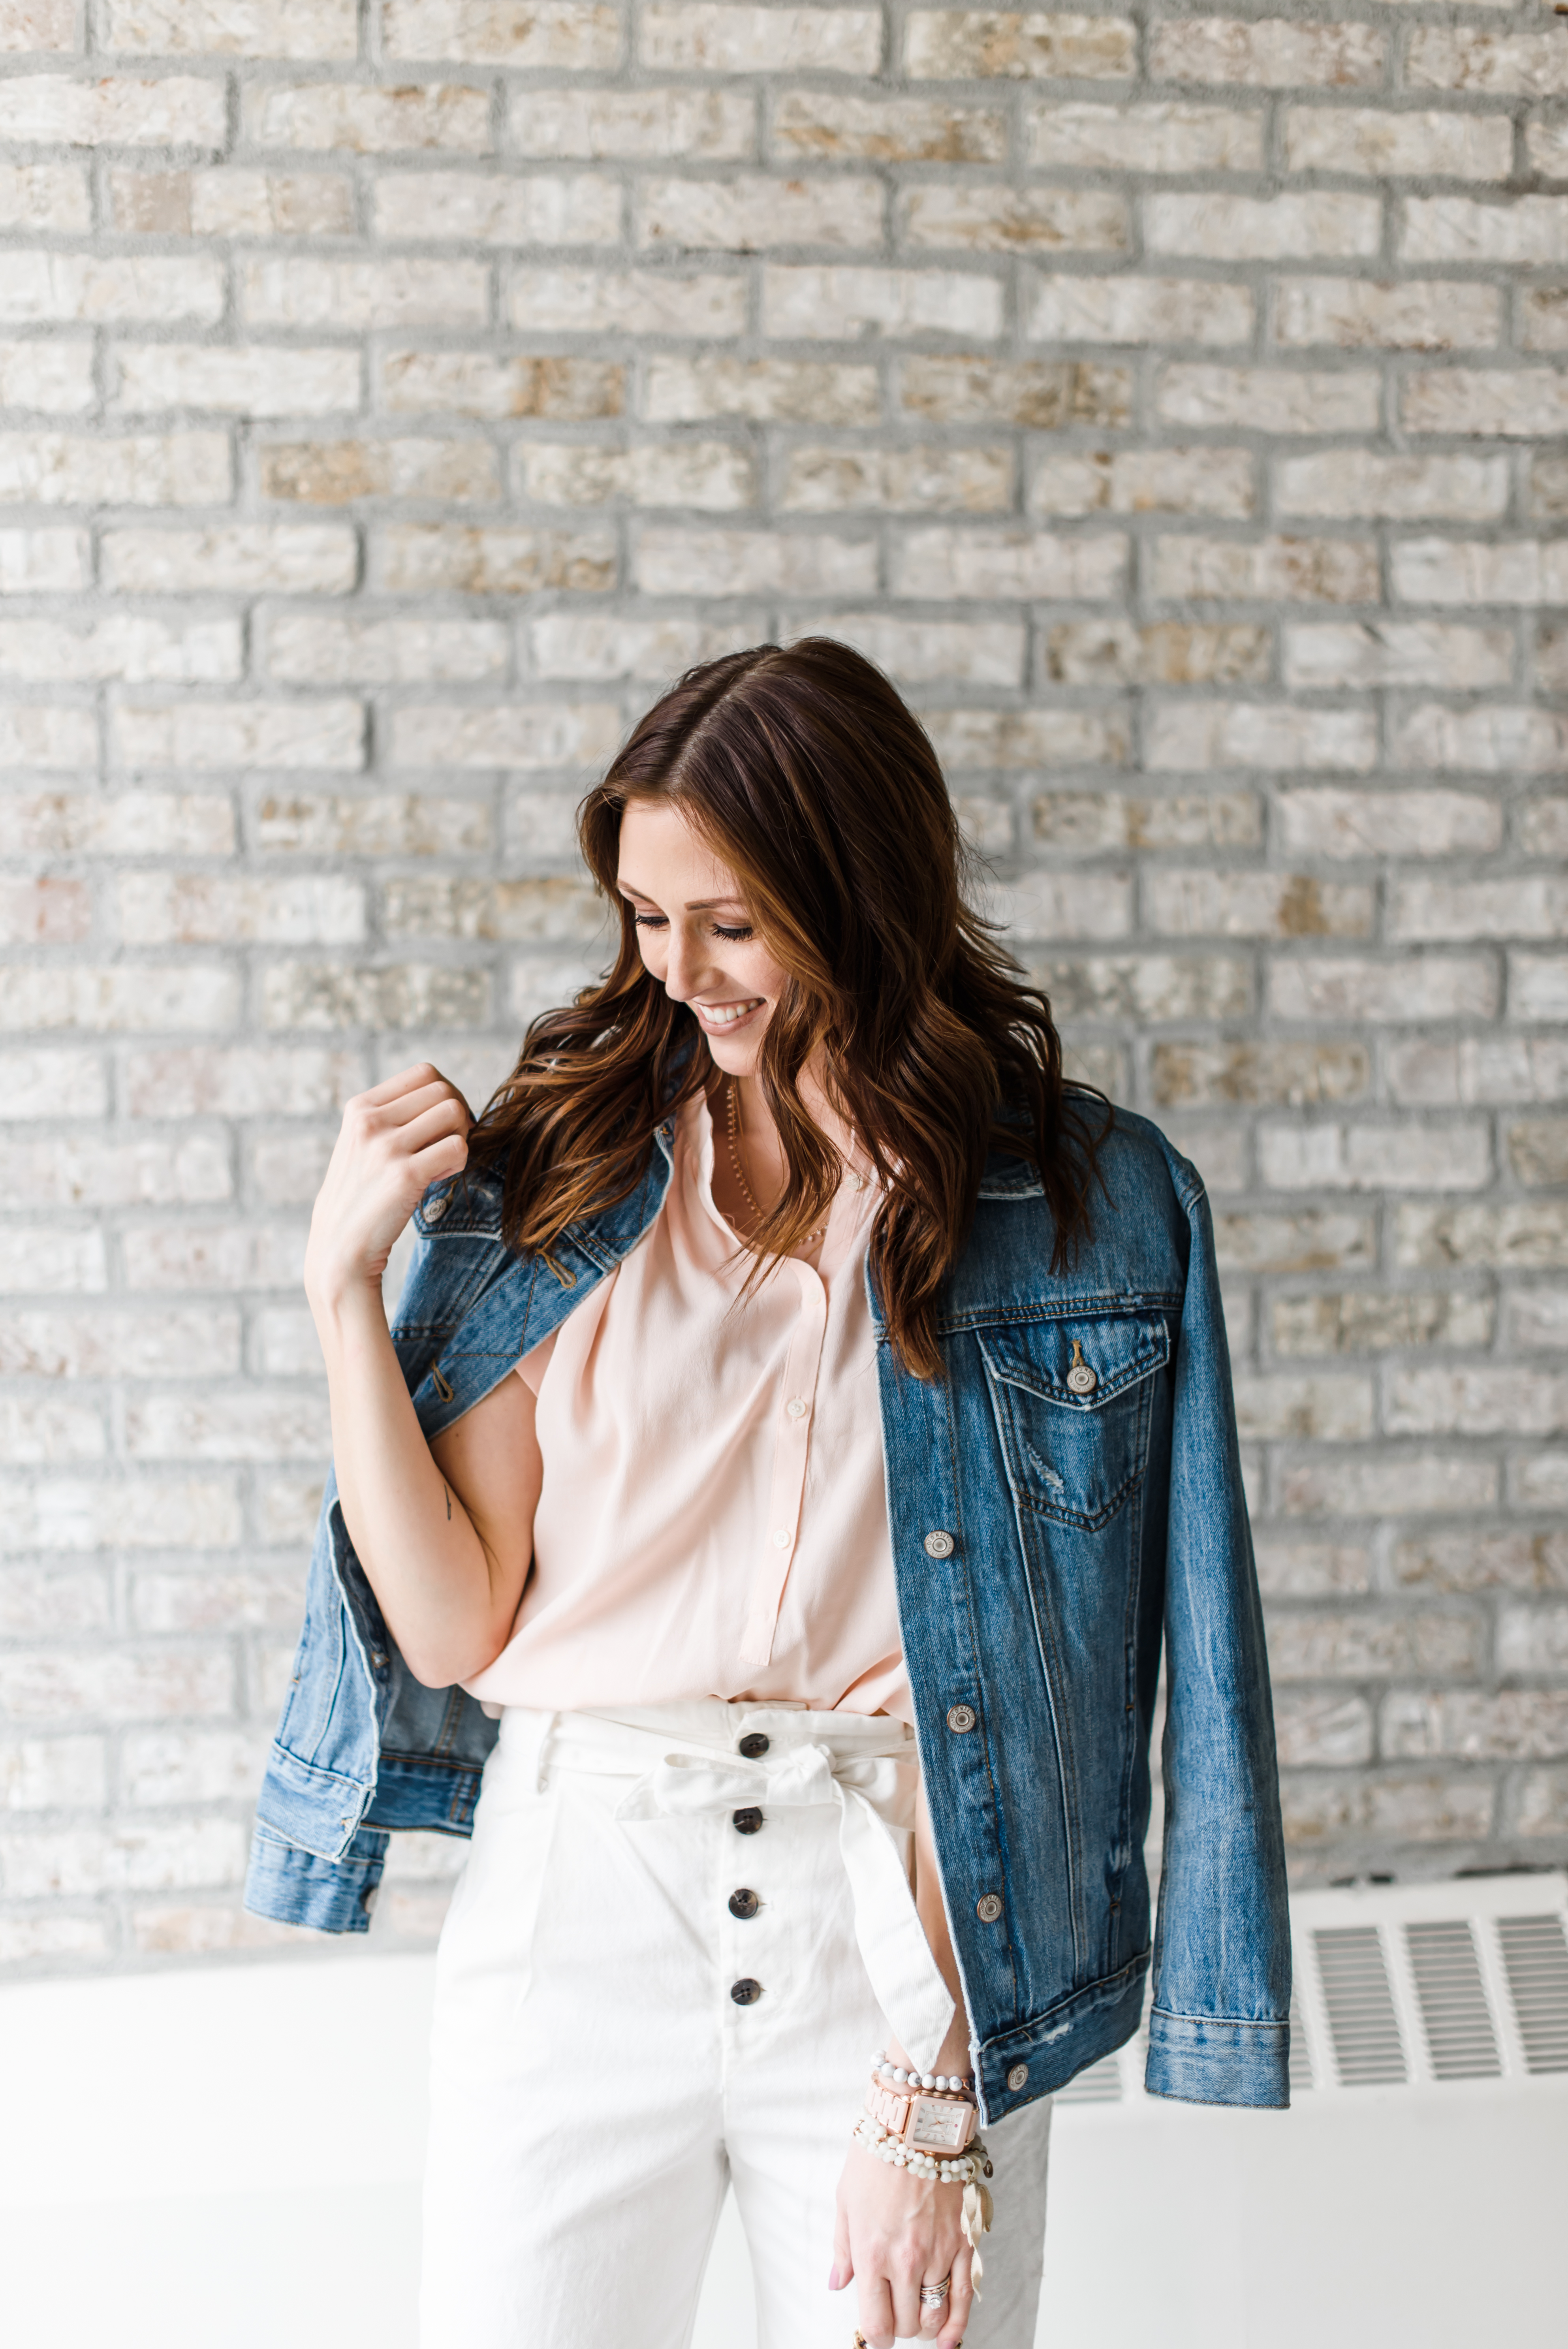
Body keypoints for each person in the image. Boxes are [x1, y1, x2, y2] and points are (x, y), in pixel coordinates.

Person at [246, 639, 1292, 2349]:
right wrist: (340, 1293)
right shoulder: (565, 1169)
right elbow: (457, 1614)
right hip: (578, 1899)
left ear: (862, 890)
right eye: (650, 920)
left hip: (903, 1911)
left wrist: (927, 2067)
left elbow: (1079, 1691)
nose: (682, 974)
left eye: (730, 923)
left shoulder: (1089, 1211)